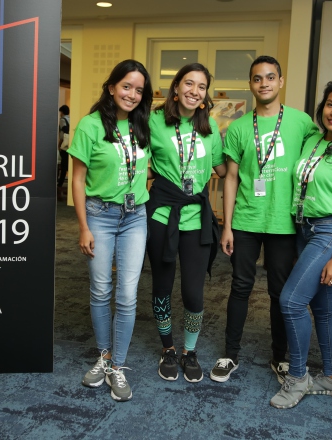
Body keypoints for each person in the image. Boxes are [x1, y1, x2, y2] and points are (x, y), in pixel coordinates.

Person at [209, 55, 319, 384]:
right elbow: (230, 177)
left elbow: (320, 157)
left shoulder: (302, 123)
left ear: (281, 82)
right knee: (240, 287)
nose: (264, 83)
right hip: (245, 219)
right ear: (251, 84)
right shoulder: (240, 127)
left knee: (279, 291)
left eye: (270, 77)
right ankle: (230, 354)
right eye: (257, 78)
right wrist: (225, 225)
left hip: (284, 222)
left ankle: (280, 357)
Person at [271, 78, 332, 409]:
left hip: (331, 231)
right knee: (322, 306)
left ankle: (298, 377)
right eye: (330, 104)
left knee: (290, 301)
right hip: (304, 228)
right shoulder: (313, 140)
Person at [68, 59, 153, 402]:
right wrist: (84, 227)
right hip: (99, 216)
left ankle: (118, 365)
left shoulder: (143, 124)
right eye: (126, 86)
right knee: (101, 289)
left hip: (135, 217)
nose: (132, 95)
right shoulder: (90, 126)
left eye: (139, 90)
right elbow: (77, 179)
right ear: (111, 87)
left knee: (127, 294)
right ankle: (103, 358)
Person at [146, 63, 226, 383]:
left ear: (206, 95)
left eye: (201, 86)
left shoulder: (211, 130)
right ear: (176, 87)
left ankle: (189, 351)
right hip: (162, 214)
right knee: (162, 288)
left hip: (196, 218)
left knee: (194, 293)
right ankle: (168, 348)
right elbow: (139, 163)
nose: (194, 91)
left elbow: (223, 171)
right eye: (188, 84)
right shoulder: (153, 122)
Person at [57, 105, 70, 193]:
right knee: (67, 165)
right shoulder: (70, 118)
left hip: (64, 145)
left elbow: (63, 133)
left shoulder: (62, 120)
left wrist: (59, 144)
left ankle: (60, 185)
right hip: (70, 144)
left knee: (63, 166)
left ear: (62, 112)